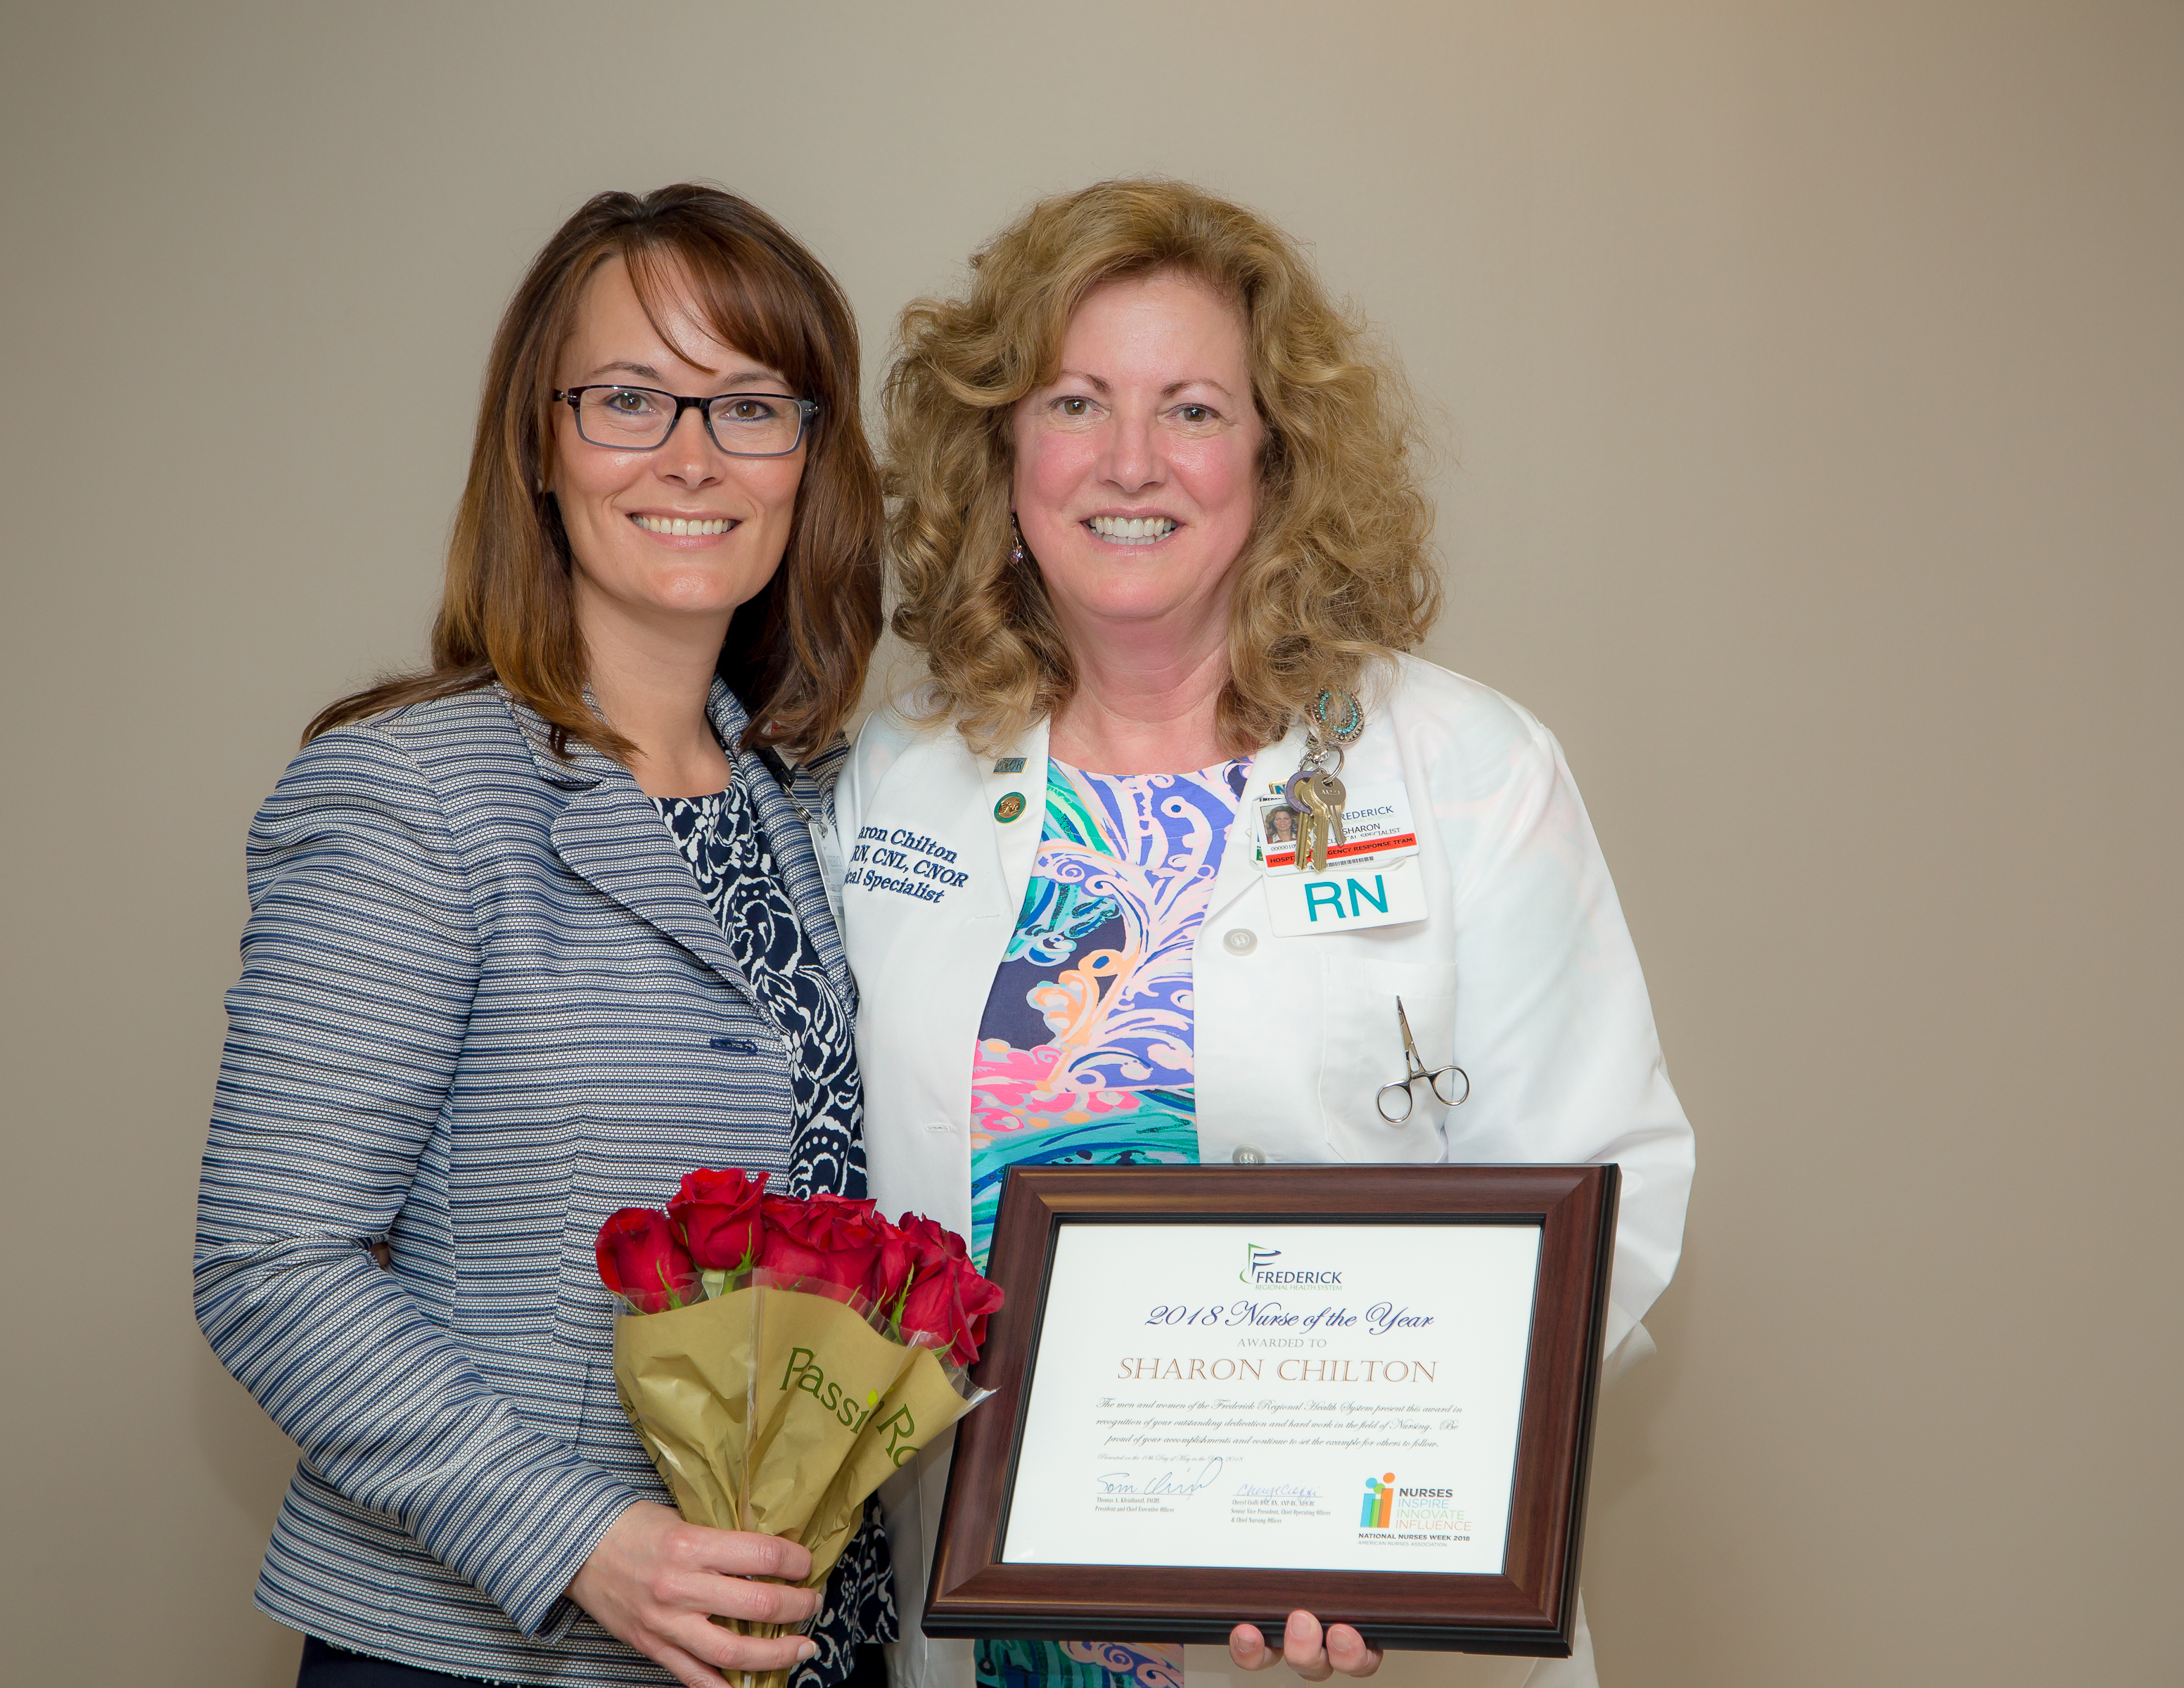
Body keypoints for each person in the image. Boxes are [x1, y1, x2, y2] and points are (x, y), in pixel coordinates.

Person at [833, 179, 1695, 1688]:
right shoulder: (905, 779)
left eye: (1194, 410)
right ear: (1004, 449)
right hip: (989, 1627)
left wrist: (1414, 1513)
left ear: (1277, 456)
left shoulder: (1464, 767)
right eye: (1076, 400)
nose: (1129, 462)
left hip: (1348, 1622)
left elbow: (1607, 1183)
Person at [196, 187, 892, 1688]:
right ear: (540, 443)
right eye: (630, 398)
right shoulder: (406, 791)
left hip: (812, 1640)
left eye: (751, 405)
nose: (692, 456)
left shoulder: (822, 806)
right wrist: (582, 1538)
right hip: (500, 1646)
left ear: (810, 460)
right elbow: (271, 1261)